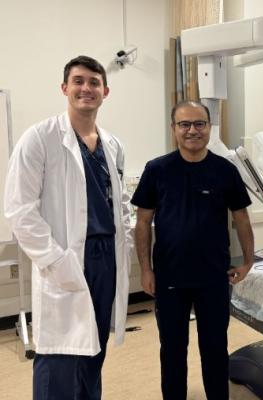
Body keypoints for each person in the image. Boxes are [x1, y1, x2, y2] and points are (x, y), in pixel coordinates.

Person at [3, 55, 131, 399]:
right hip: (68, 256)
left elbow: (117, 203)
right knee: (60, 356)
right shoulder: (39, 138)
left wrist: (126, 242)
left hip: (107, 258)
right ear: (64, 88)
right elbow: (19, 210)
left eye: (93, 82)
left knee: (93, 348)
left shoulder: (112, 144)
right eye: (78, 81)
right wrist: (56, 261)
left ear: (106, 91)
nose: (86, 88)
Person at [132, 100, 254, 400]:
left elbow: (241, 218)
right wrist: (146, 270)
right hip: (169, 278)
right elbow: (143, 222)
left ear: (209, 128)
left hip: (213, 278)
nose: (192, 130)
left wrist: (249, 261)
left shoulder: (225, 170)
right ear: (173, 129)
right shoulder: (157, 170)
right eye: (184, 124)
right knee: (172, 351)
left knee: (214, 349)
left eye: (199, 124)